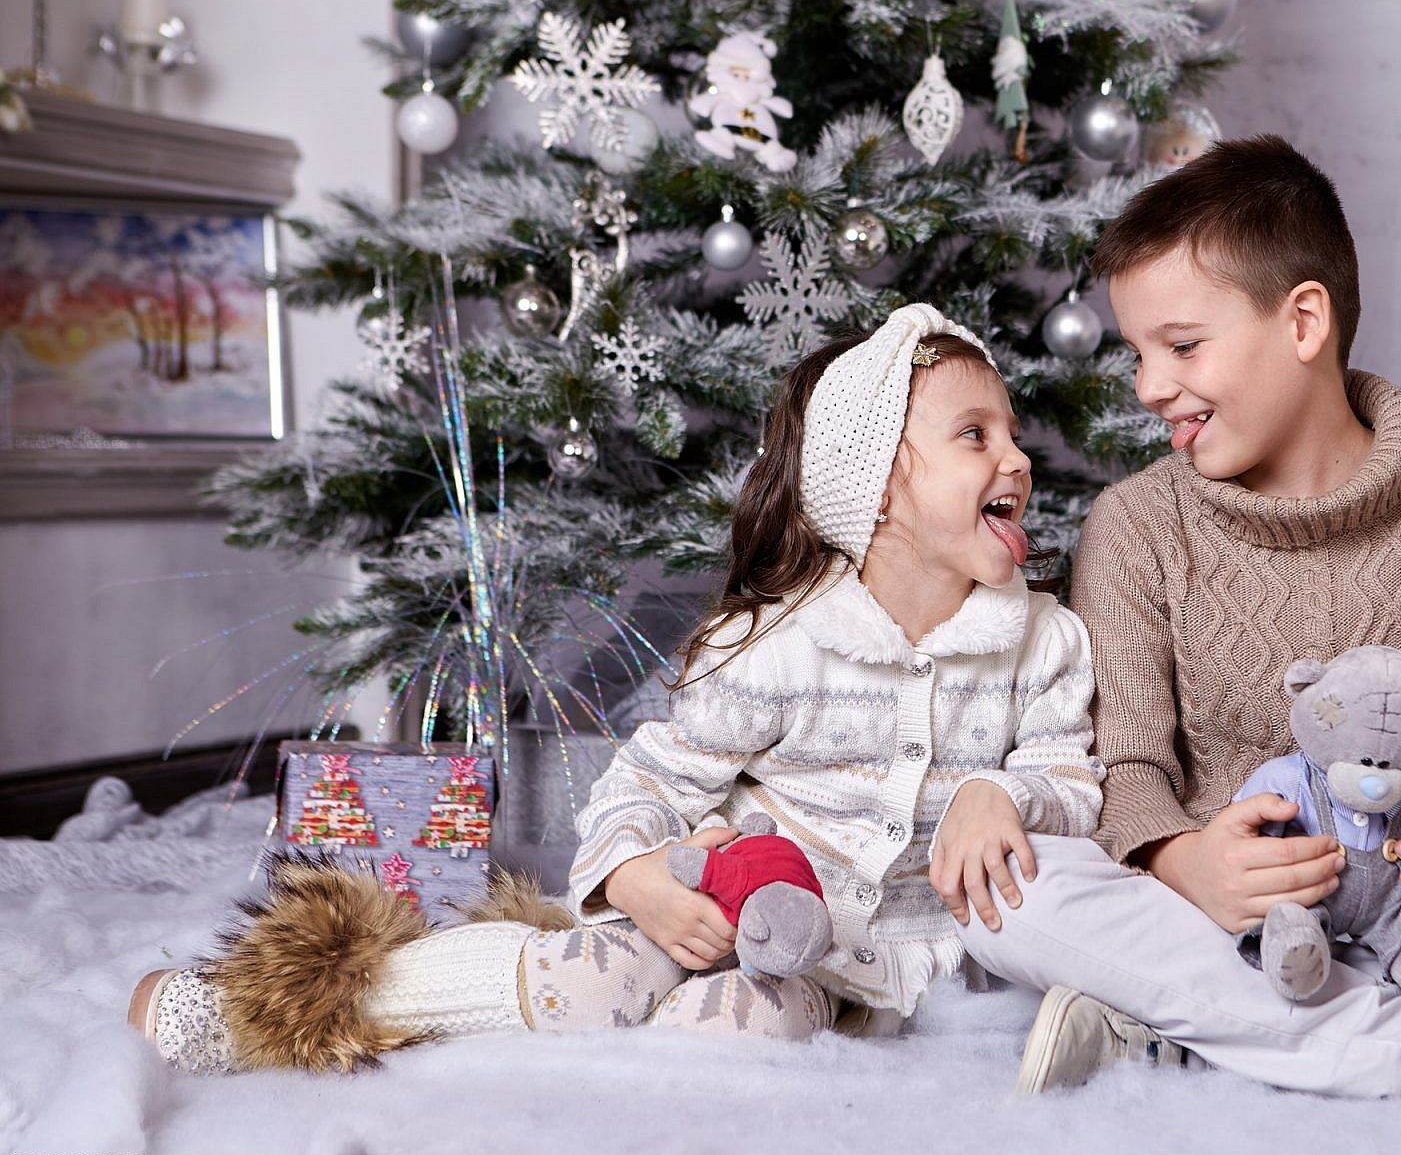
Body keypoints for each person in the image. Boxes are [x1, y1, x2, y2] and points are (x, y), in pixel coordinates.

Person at [131, 305, 1103, 1070]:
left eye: (1011, 432)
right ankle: (286, 1005)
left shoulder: (1042, 639)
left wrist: (1002, 790)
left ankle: (613, 1095)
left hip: (849, 968)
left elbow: (1072, 780)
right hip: (721, 898)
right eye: (975, 435)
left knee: (732, 1032)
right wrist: (634, 875)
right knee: (604, 971)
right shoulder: (779, 645)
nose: (1016, 456)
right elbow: (648, 782)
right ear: (879, 489)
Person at [958, 136, 1401, 1118]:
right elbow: (1122, 766)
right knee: (1011, 891)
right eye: (1137, 354)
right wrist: (1186, 861)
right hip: (1214, 913)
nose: (1145, 386)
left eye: (1179, 346)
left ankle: (1196, 1032)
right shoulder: (1135, 526)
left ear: (1302, 320)